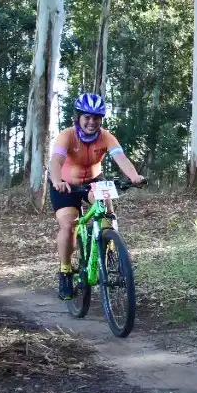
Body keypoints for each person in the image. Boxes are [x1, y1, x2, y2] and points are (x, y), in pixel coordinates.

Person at [48, 92, 145, 300]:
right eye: (87, 117)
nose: (92, 122)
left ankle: (108, 249)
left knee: (108, 215)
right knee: (69, 225)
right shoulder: (67, 135)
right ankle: (65, 271)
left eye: (96, 118)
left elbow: (120, 157)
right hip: (66, 185)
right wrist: (57, 181)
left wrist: (134, 176)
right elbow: (55, 160)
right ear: (78, 118)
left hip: (94, 181)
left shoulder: (106, 137)